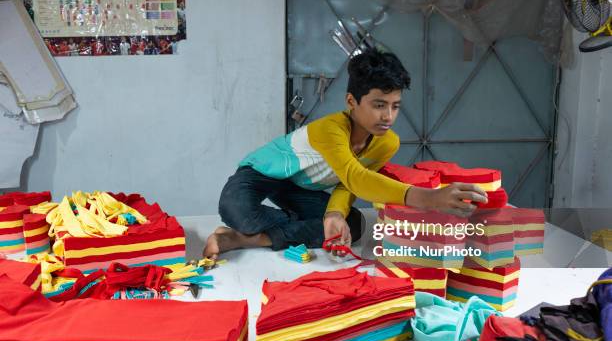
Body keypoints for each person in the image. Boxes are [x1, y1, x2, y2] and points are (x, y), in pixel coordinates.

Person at [203, 48, 487, 260]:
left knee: (352, 224)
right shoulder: (331, 129)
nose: (388, 116)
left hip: (299, 188)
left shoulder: (386, 143)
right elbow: (356, 177)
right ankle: (262, 229)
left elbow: (346, 185)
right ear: (352, 101)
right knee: (236, 209)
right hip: (262, 174)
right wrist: (430, 198)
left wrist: (335, 214)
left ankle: (243, 240)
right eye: (379, 104)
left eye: (395, 106)